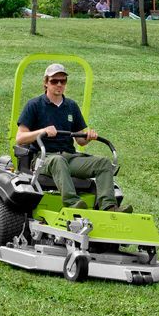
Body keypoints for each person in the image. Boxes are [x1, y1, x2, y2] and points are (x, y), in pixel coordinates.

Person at [16, 64, 132, 213]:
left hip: (69, 157)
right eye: (54, 81)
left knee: (103, 163)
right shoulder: (34, 105)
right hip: (44, 158)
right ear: (46, 83)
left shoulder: (71, 106)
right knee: (58, 161)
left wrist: (88, 136)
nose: (59, 84)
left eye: (62, 81)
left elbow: (80, 140)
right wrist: (42, 131)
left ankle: (109, 206)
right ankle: (73, 204)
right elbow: (20, 138)